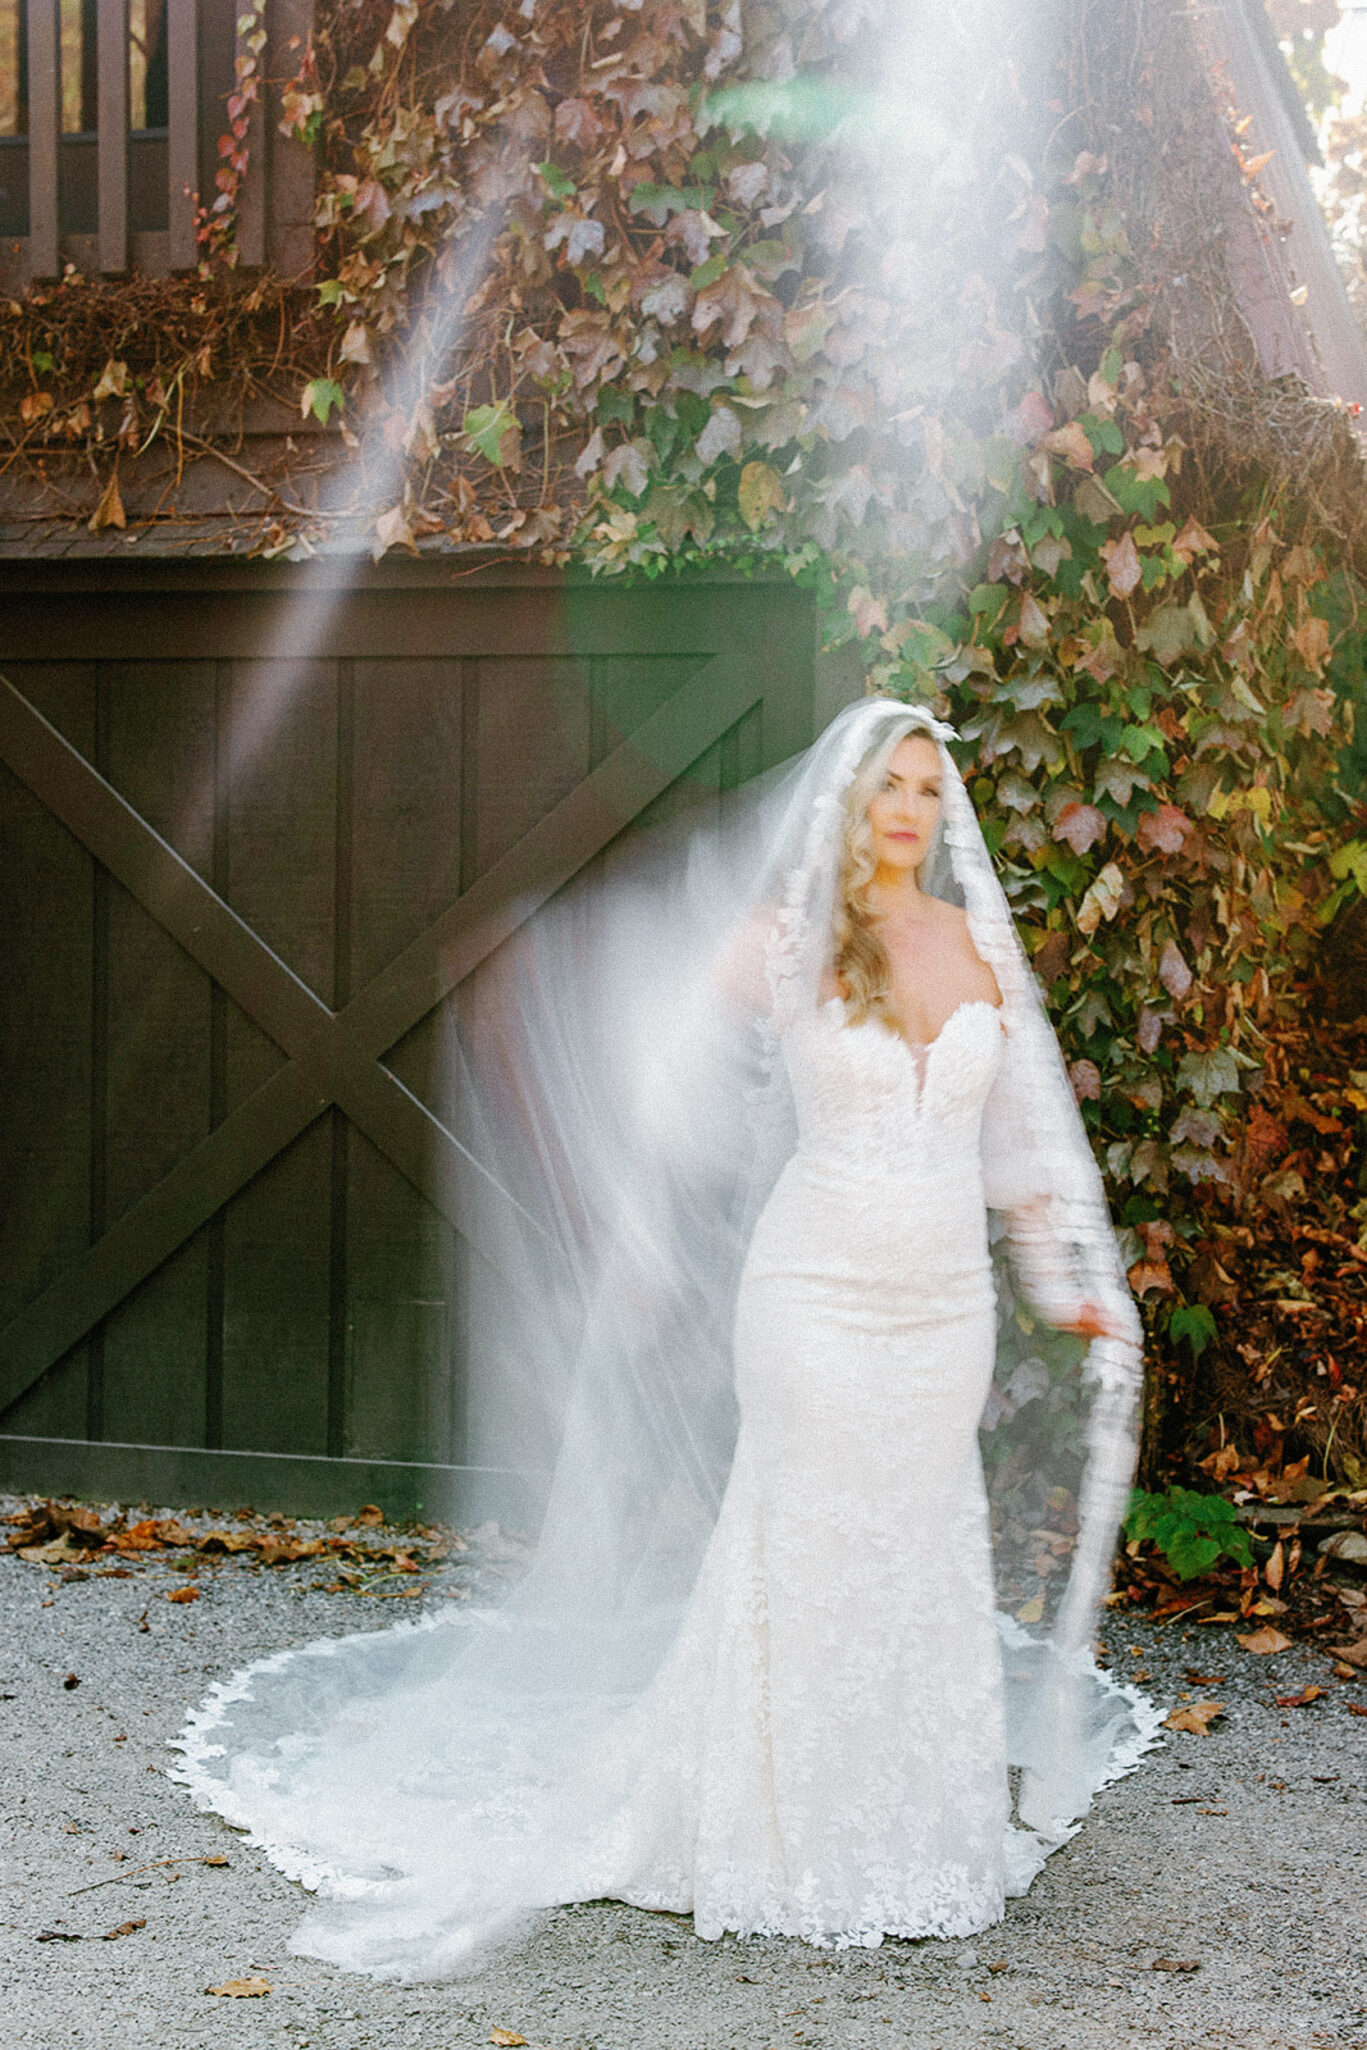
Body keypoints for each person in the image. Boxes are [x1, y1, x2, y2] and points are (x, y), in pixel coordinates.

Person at [172, 697, 1161, 1979]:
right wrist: (620, 1213)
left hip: (939, 1309)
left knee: (914, 1539)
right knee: (803, 1530)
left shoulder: (974, 948)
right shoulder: (786, 939)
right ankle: (770, 1821)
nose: (908, 807)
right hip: (810, 1290)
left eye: (926, 785)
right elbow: (660, 1075)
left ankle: (907, 1822)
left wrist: (1063, 1276)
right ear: (847, 808)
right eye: (886, 787)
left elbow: (1018, 1146)